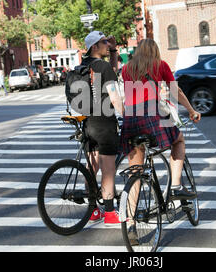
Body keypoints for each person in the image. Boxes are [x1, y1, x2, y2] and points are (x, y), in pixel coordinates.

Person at [120, 39, 201, 200]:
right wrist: (191, 110)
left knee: (135, 171)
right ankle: (176, 186)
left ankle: (130, 220)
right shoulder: (160, 65)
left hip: (131, 118)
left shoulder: (126, 69)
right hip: (151, 115)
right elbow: (175, 91)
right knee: (178, 140)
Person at [81, 31, 124, 225]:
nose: (107, 44)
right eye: (104, 42)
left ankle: (92, 210)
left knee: (92, 168)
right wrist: (125, 116)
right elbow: (114, 96)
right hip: (105, 123)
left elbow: (111, 73)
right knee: (108, 169)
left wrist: (114, 49)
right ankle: (109, 212)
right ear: (94, 46)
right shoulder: (103, 67)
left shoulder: (82, 66)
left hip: (88, 122)